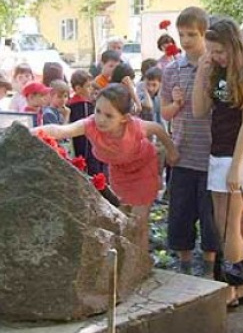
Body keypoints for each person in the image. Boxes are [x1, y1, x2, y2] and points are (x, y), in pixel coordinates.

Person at [37, 84, 179, 249]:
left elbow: (158, 128)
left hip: (143, 169)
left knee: (139, 221)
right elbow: (60, 130)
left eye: (109, 115)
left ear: (124, 118)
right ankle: (125, 256)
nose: (101, 119)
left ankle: (140, 258)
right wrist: (32, 131)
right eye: (98, 111)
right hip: (119, 171)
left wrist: (172, 151)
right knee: (122, 217)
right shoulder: (90, 125)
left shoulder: (134, 126)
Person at [192, 17, 243, 308]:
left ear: (233, 46)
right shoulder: (217, 72)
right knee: (222, 224)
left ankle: (231, 287)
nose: (215, 57)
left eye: (219, 51)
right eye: (211, 51)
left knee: (232, 225)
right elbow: (199, 110)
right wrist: (201, 73)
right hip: (218, 152)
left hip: (240, 156)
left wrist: (235, 166)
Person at [161, 6, 219, 277]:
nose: (185, 41)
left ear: (204, 34)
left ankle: (209, 264)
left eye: (191, 35)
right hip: (183, 152)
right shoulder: (172, 70)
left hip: (210, 153)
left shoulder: (217, 67)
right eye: (181, 35)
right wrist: (175, 104)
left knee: (210, 216)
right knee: (181, 212)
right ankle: (184, 262)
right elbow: (165, 112)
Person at [69, 70, 105, 176]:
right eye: (88, 86)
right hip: (87, 148)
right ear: (78, 89)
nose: (91, 90)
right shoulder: (82, 105)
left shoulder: (74, 104)